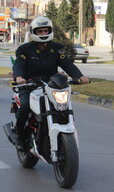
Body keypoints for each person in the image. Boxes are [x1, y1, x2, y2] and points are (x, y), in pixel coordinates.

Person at [12, 16, 89, 150]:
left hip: (51, 85)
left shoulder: (57, 48)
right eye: (39, 31)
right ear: (34, 32)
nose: (43, 34)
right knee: (24, 106)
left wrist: (79, 76)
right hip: (29, 84)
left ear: (50, 31)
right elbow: (19, 64)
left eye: (45, 31)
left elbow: (67, 64)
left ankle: (65, 130)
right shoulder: (25, 49)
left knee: (62, 107)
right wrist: (19, 77)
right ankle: (19, 134)